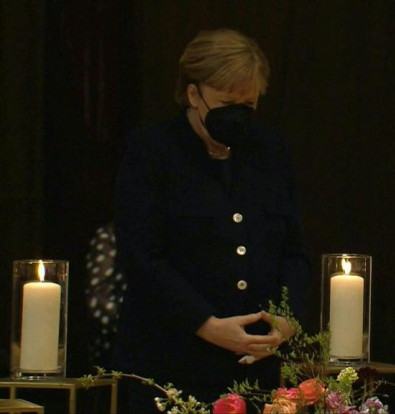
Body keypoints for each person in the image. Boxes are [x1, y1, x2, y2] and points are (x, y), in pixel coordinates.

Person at [113, 28, 310, 411]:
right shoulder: (151, 151)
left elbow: (295, 250)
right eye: (225, 104)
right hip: (169, 363)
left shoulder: (270, 151)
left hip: (255, 369)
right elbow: (143, 257)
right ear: (193, 94)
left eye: (248, 106)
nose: (237, 117)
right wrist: (206, 324)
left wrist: (287, 319)